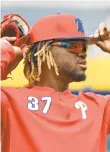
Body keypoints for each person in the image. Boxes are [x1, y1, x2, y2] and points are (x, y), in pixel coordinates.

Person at [1, 13, 110, 152]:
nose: (82, 53)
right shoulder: (9, 101)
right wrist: (5, 52)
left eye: (84, 47)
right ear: (43, 51)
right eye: (75, 46)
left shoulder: (99, 107)